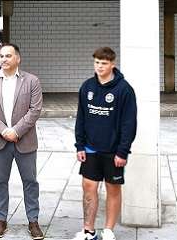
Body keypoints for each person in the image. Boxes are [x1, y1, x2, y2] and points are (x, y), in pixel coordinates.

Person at [0, 43, 44, 240]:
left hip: (25, 140)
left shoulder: (31, 81)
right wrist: (4, 131)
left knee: (30, 182)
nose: (4, 59)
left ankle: (33, 221)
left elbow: (35, 110)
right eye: (1, 56)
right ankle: (1, 220)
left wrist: (16, 131)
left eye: (8, 56)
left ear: (18, 58)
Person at [74, 47, 137, 240]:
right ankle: (88, 230)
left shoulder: (124, 89)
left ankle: (108, 230)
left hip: (113, 151)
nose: (99, 66)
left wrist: (122, 151)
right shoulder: (87, 86)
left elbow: (129, 123)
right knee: (88, 186)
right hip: (90, 147)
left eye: (104, 63)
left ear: (112, 64)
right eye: (96, 62)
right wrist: (80, 145)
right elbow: (81, 118)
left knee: (113, 189)